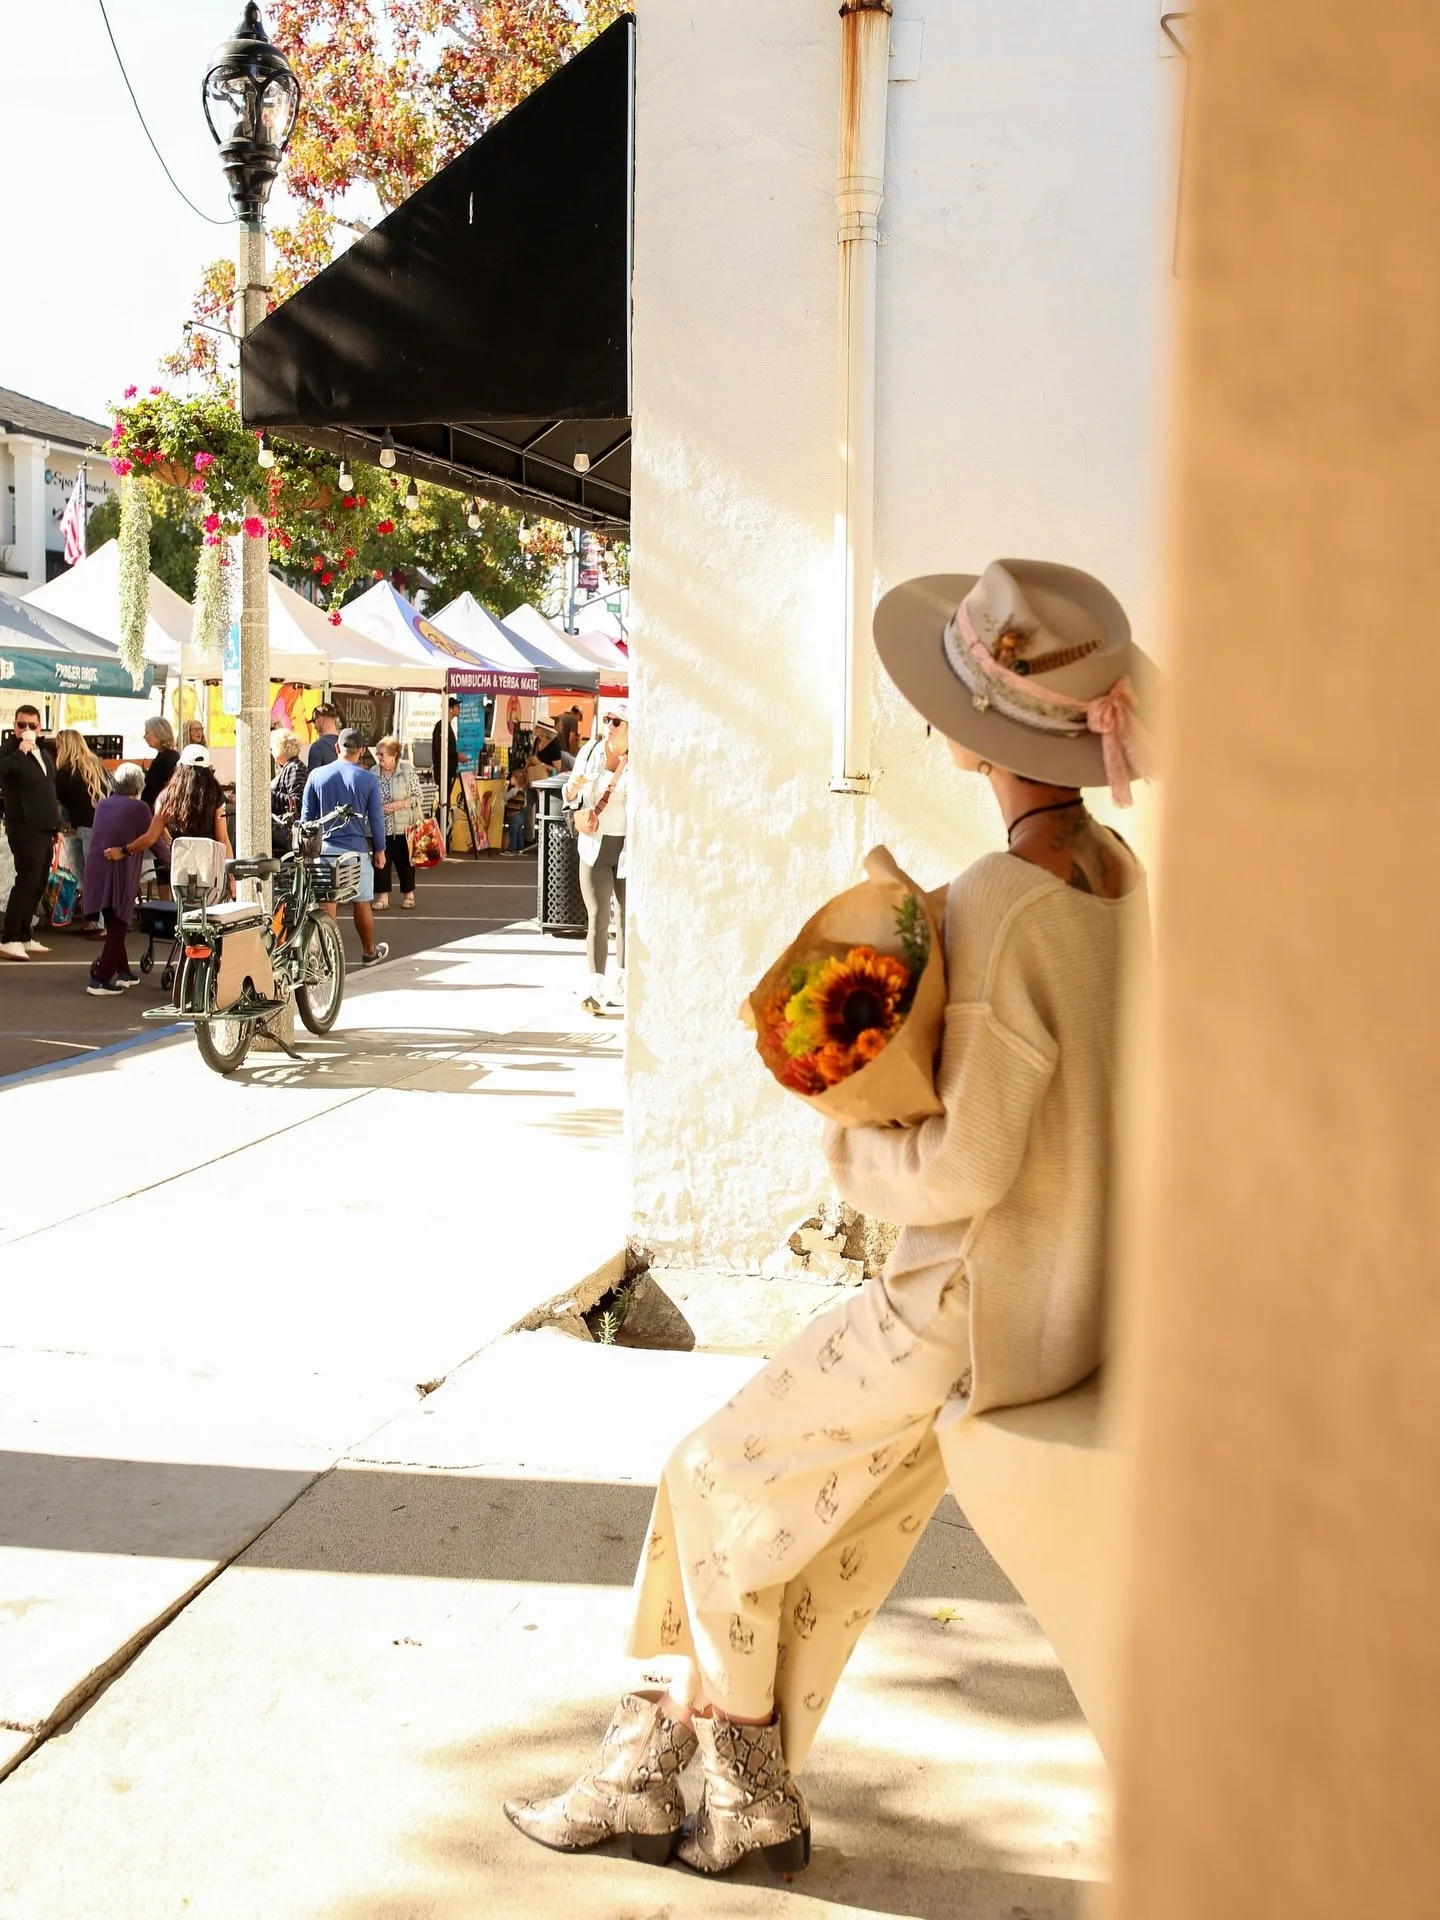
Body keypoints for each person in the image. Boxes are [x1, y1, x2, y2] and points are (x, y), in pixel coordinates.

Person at [502, 559, 1156, 1877]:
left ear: (978, 741)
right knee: (809, 1532)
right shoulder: (1115, 882)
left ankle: (733, 1788)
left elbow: (963, 1169)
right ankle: (666, 1770)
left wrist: (852, 1144)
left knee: (713, 1474)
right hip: (1064, 1309)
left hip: (960, 1305)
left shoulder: (999, 904)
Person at [300, 728, 389, 965]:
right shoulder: (368, 779)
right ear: (361, 752)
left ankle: (330, 956)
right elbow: (377, 818)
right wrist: (380, 849)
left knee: (327, 903)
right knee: (361, 901)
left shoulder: (316, 776)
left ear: (337, 749)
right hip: (356, 850)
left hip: (324, 850)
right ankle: (369, 951)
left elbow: (306, 819)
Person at [565, 703, 629, 1014]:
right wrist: (571, 788)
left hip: (629, 848)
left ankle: (623, 983)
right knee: (599, 916)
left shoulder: (639, 760)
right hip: (595, 846)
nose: (610, 725)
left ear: (630, 728)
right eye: (606, 720)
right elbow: (569, 791)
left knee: (629, 918)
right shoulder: (590, 753)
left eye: (617, 721)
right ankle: (594, 987)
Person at [119, 746, 234, 882]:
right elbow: (222, 840)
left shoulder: (166, 797)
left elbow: (151, 838)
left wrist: (124, 850)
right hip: (210, 868)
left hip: (180, 870)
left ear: (179, 768)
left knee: (181, 903)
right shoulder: (214, 795)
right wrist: (232, 878)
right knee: (210, 903)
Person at [0, 704, 60, 961]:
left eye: (32, 726)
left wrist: (56, 826)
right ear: (14, 727)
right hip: (23, 827)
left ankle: (25, 934)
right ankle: (10, 937)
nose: (26, 730)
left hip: (45, 826)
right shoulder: (10, 752)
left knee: (38, 881)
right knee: (27, 879)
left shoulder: (44, 753)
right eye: (21, 725)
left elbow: (49, 791)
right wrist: (19, 753)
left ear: (39, 727)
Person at [86, 764, 152, 995]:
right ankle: (101, 980)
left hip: (96, 869)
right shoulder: (140, 808)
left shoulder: (103, 804)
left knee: (113, 921)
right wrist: (176, 861)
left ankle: (124, 972)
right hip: (120, 872)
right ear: (138, 785)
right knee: (119, 926)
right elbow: (152, 840)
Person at [53, 729, 110, 935]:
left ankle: (100, 924)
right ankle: (97, 921)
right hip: (105, 825)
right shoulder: (95, 766)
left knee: (91, 877)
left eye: (58, 746)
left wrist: (62, 823)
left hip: (86, 827)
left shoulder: (65, 771)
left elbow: (54, 801)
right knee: (100, 875)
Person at [374, 735, 423, 910]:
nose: (379, 757)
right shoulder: (373, 773)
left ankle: (409, 895)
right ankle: (382, 898)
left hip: (404, 826)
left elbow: (418, 797)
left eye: (382, 754)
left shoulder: (407, 772)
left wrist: (399, 805)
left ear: (394, 756)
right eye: (378, 754)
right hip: (381, 826)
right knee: (381, 863)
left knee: (406, 863)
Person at [140, 717, 180, 900]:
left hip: (162, 819)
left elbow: (170, 794)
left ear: (158, 733)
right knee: (163, 863)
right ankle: (166, 905)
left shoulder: (169, 758)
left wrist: (162, 824)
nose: (145, 736)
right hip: (157, 818)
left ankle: (167, 906)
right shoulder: (164, 757)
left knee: (166, 863)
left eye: (148, 732)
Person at [270, 730, 306, 855]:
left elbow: (295, 802)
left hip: (286, 832)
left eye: (273, 749)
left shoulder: (293, 768)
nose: (272, 753)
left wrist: (268, 795)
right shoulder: (290, 767)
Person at [306, 703, 342, 772]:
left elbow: (313, 780)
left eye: (314, 722)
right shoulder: (346, 744)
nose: (314, 726)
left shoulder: (317, 747)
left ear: (320, 720)